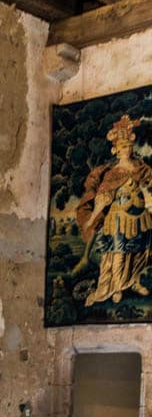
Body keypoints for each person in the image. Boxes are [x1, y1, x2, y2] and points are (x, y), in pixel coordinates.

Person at [77, 115, 152, 306]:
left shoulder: (139, 166)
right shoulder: (112, 173)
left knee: (139, 252)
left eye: (129, 146)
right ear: (116, 150)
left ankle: (134, 282)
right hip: (119, 219)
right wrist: (91, 219)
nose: (127, 149)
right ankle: (117, 287)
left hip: (140, 218)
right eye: (123, 146)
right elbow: (103, 198)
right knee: (119, 254)